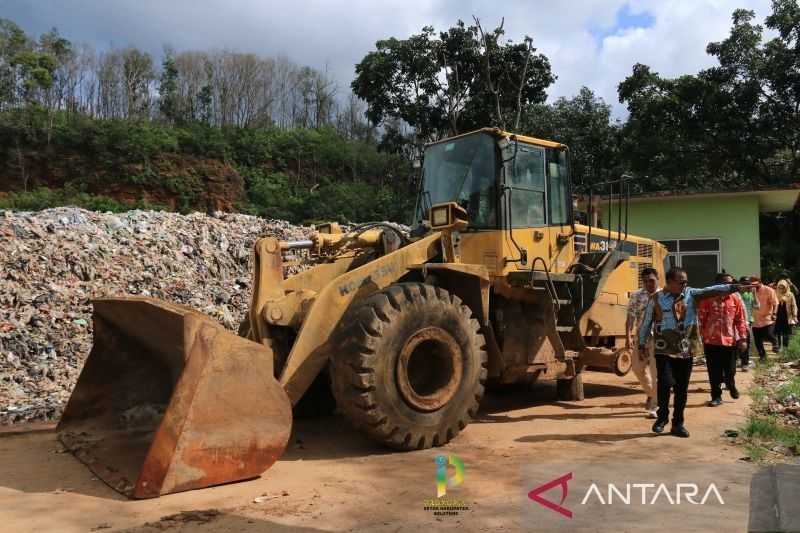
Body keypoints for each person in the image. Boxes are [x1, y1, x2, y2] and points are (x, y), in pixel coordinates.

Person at [639, 266, 744, 438]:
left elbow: (712, 289)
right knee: (665, 384)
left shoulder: (691, 294)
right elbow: (646, 324)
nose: (685, 284)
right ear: (670, 282)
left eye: (686, 281)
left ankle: (677, 424)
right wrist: (641, 345)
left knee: (681, 389)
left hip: (685, 349)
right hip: (663, 348)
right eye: (681, 281)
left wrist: (735, 287)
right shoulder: (655, 298)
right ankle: (662, 418)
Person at [698, 273, 748, 406]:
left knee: (730, 368)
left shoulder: (735, 299)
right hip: (711, 341)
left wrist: (743, 338)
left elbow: (740, 320)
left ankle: (730, 384)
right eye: (727, 283)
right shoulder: (707, 299)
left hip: (730, 340)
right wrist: (699, 338)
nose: (730, 286)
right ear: (718, 284)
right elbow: (700, 320)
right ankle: (716, 396)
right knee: (713, 370)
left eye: (731, 283)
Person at [625, 267, 661, 418]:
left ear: (657, 279)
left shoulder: (664, 295)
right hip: (641, 338)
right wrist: (628, 336)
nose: (648, 284)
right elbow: (631, 317)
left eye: (651, 281)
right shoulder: (636, 296)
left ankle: (655, 406)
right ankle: (652, 393)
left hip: (659, 339)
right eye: (645, 281)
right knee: (637, 369)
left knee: (655, 372)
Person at [751, 275, 779, 361]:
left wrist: (774, 314)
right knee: (757, 340)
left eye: (756, 284)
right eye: (752, 284)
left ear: (760, 282)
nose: (754, 286)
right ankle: (762, 357)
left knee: (768, 334)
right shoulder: (750, 291)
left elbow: (775, 303)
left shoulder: (768, 290)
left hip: (767, 318)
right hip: (755, 319)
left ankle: (775, 342)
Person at [737, 275, 760, 371]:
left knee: (746, 341)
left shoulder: (750, 294)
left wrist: (754, 294)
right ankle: (737, 359)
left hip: (747, 321)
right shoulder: (736, 294)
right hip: (736, 321)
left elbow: (757, 306)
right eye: (744, 284)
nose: (747, 286)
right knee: (736, 341)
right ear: (740, 285)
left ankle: (744, 363)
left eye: (748, 284)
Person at [774, 279, 798, 351]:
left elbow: (794, 305)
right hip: (778, 316)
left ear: (786, 287)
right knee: (778, 331)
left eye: (783, 287)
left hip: (787, 316)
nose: (781, 289)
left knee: (786, 332)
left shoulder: (790, 294)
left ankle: (786, 347)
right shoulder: (775, 293)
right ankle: (779, 347)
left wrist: (795, 315)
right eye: (780, 287)